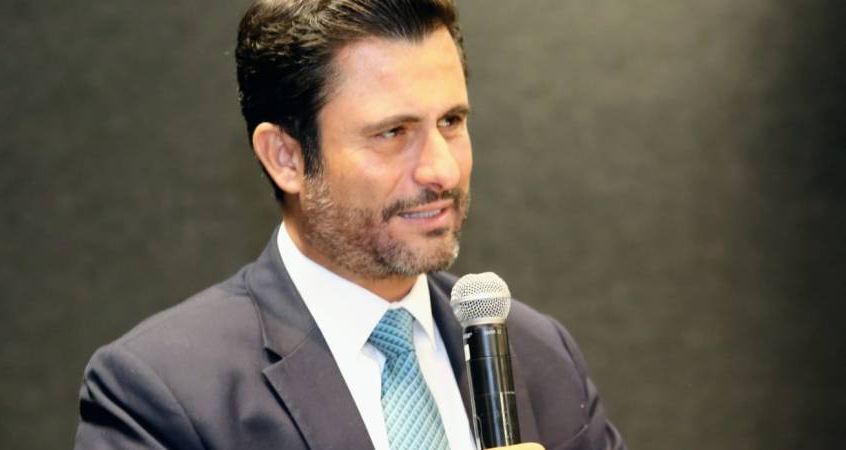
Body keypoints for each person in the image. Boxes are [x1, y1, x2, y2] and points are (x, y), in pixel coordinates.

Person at [73, 1, 626, 449]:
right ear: (286, 157)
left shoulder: (539, 352)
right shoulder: (166, 392)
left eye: (451, 121)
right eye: (392, 133)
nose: (442, 170)